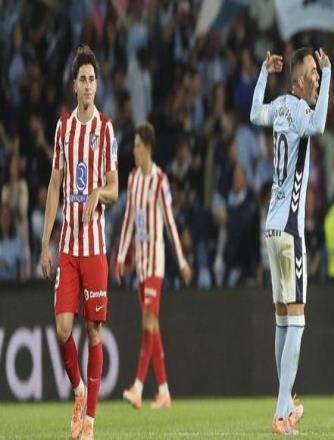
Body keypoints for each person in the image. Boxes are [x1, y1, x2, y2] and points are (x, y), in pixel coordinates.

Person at [250, 47, 331, 434]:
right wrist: (330, 77)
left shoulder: (280, 106)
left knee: (283, 321)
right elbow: (320, 125)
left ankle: (285, 405)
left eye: (318, 72)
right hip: (291, 229)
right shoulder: (298, 110)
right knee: (296, 322)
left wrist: (263, 74)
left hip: (271, 228)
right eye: (312, 72)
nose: (316, 77)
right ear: (298, 81)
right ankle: (282, 412)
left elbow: (255, 113)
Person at [40, 45, 119, 440]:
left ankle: (89, 421)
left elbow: (114, 188)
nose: (88, 86)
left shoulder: (105, 129)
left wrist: (97, 194)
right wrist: (45, 242)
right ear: (74, 86)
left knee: (94, 333)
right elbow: (55, 184)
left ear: (96, 86)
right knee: (61, 330)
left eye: (92, 80)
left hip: (95, 249)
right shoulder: (63, 128)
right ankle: (78, 391)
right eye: (82, 80)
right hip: (69, 247)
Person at [115, 122, 192, 410]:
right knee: (151, 324)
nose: (133, 151)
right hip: (141, 265)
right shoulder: (133, 179)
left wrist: (181, 260)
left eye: (137, 146)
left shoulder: (160, 180)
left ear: (147, 148)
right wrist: (121, 257)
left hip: (156, 262)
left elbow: (170, 222)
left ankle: (137, 386)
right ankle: (164, 391)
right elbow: (128, 221)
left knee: (148, 321)